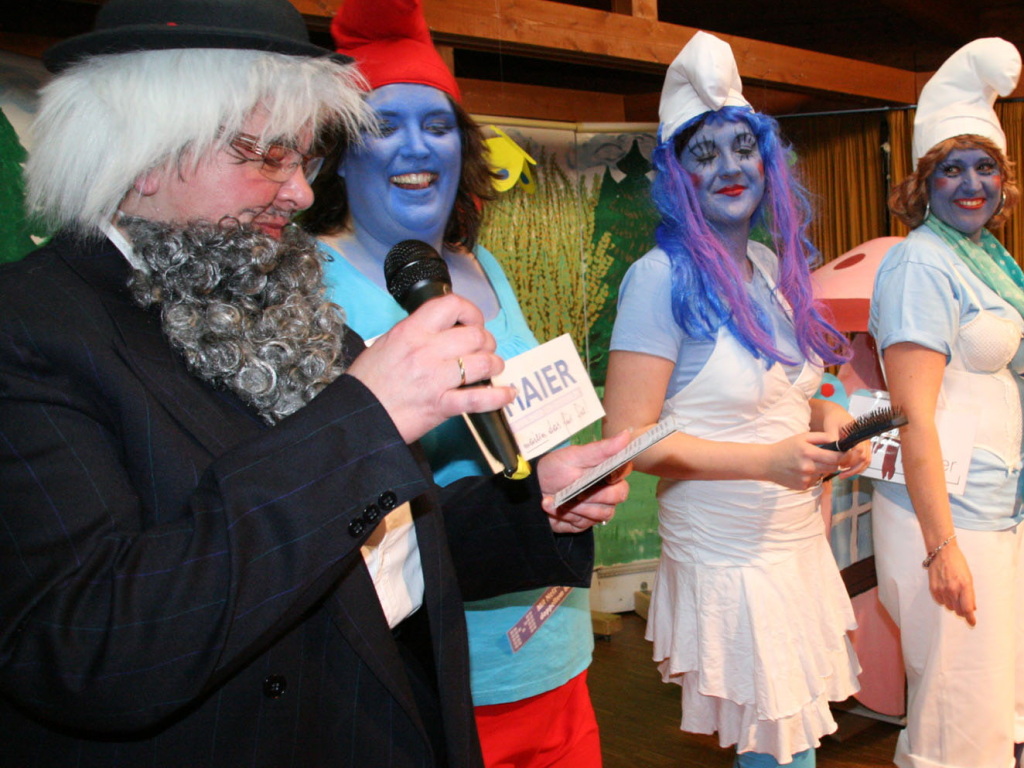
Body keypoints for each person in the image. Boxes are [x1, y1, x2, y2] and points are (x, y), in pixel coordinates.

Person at [0, 1, 632, 765]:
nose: (300, 193)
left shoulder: (285, 300)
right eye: (267, 157)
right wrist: (363, 420)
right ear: (145, 153)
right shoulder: (31, 331)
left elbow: (377, 550)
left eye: (303, 159)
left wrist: (536, 510)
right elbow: (94, 644)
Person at [298, 1, 604, 765]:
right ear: (338, 153)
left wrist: (580, 474)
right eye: (385, 125)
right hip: (428, 670)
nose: (416, 146)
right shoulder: (311, 286)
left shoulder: (482, 267)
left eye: (436, 127)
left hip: (554, 639)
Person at [602, 31, 868, 768]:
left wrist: (830, 413)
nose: (729, 167)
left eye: (742, 148)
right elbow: (627, 441)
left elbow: (799, 384)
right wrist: (767, 460)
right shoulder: (657, 279)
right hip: (729, 555)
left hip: (791, 541)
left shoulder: (765, 265)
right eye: (704, 152)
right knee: (775, 747)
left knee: (794, 738)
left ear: (768, 161)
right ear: (676, 174)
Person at [869, 37, 1024, 768]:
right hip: (949, 520)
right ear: (923, 184)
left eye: (984, 167)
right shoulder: (919, 264)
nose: (971, 184)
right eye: (950, 170)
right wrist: (942, 548)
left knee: (991, 717)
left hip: (996, 514)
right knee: (955, 731)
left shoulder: (990, 259)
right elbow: (911, 416)